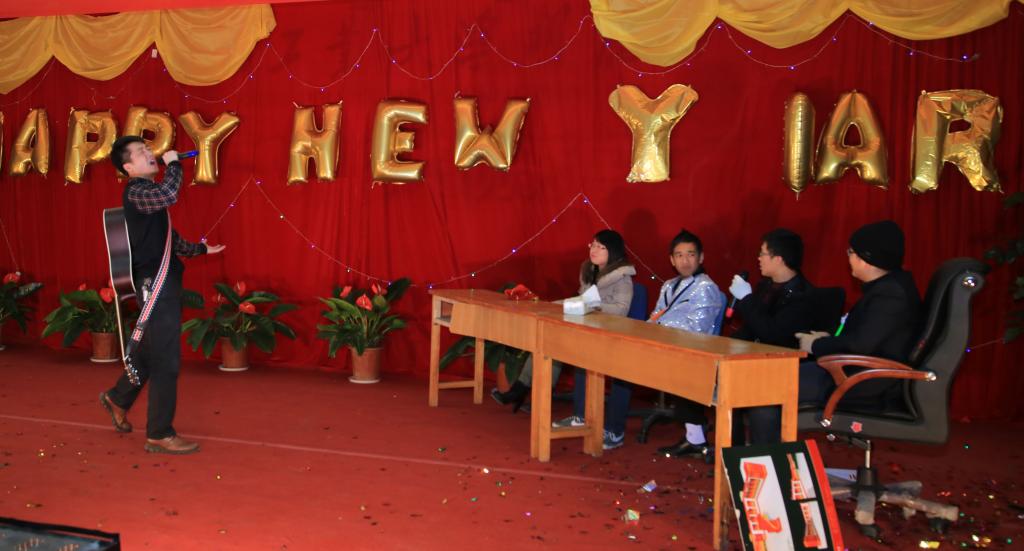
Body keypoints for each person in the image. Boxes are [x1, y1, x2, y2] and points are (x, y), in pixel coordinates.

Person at [99, 136, 225, 455]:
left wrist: (200, 249)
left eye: (148, 149)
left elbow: (169, 239)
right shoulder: (137, 190)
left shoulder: (148, 194)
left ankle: (118, 397)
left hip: (163, 279)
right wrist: (174, 164)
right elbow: (169, 194)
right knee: (166, 359)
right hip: (154, 283)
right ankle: (159, 433)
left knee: (151, 351)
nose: (149, 153)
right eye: (141, 152)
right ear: (128, 167)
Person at [749, 220, 922, 443]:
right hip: (851, 370)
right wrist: (829, 339)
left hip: (861, 381)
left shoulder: (890, 294)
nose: (848, 258)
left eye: (851, 252)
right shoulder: (888, 287)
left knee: (764, 389)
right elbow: (867, 337)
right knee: (767, 381)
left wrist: (815, 345)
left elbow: (861, 344)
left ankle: (768, 460)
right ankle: (769, 454)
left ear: (866, 259)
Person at [491, 229, 635, 422]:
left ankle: (524, 391)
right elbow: (582, 299)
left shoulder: (622, 277)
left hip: (606, 332)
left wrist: (593, 304)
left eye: (601, 247)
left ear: (613, 251)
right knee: (548, 339)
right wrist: (557, 305)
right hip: (585, 325)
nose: (594, 250)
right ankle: (524, 390)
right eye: (592, 245)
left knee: (556, 343)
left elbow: (621, 310)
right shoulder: (589, 270)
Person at [637, 230, 725, 458]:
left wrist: (660, 324)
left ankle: (695, 439)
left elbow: (698, 326)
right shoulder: (668, 285)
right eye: (679, 255)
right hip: (670, 346)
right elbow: (657, 313)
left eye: (690, 255)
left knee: (684, 371)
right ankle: (694, 437)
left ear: (701, 257)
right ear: (672, 260)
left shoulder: (705, 286)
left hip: (696, 350)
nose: (685, 261)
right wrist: (651, 326)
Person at [727, 228, 817, 444]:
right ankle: (732, 454)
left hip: (783, 369)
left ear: (778, 259)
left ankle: (764, 455)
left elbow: (772, 333)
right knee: (726, 385)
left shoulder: (802, 295)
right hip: (756, 362)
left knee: (762, 403)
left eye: (762, 253)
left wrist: (747, 299)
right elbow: (751, 328)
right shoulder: (765, 286)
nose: (758, 258)